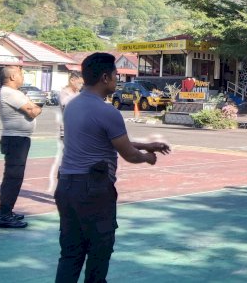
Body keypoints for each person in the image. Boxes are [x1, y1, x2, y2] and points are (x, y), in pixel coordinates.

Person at [55, 53, 171, 282]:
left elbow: (100, 139)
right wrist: (147, 157)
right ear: (105, 77)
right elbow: (127, 153)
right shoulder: (108, 111)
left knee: (71, 253)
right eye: (116, 76)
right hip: (93, 189)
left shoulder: (72, 105)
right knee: (99, 251)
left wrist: (147, 145)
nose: (117, 81)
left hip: (67, 186)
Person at [0, 65, 43, 229]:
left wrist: (34, 107)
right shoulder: (10, 93)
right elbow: (32, 111)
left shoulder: (13, 93)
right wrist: (35, 108)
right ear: (13, 77)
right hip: (15, 140)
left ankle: (4, 211)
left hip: (18, 139)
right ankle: (5, 214)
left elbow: (33, 108)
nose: (23, 78)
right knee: (14, 177)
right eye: (21, 75)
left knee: (12, 176)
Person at [48, 72, 84, 193]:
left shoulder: (78, 94)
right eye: (79, 83)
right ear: (72, 80)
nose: (81, 85)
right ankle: (62, 188)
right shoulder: (65, 93)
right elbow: (67, 104)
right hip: (68, 131)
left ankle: (73, 187)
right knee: (67, 160)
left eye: (82, 83)